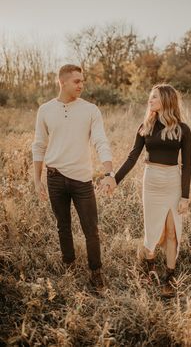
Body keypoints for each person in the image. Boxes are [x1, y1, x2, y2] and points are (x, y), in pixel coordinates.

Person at [32, 64, 116, 290]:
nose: (81, 85)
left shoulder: (90, 110)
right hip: (55, 177)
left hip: (82, 179)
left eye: (83, 81)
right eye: (77, 81)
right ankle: (69, 265)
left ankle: (95, 271)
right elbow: (39, 145)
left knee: (91, 228)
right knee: (63, 226)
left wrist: (109, 173)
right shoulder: (45, 110)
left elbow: (101, 141)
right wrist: (37, 178)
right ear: (62, 82)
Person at [114, 84, 191, 297]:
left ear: (166, 100)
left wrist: (185, 196)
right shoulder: (146, 126)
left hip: (173, 183)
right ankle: (151, 269)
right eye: (150, 97)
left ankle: (169, 277)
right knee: (152, 228)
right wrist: (115, 180)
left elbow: (187, 165)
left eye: (154, 97)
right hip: (152, 182)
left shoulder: (182, 129)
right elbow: (132, 157)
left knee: (171, 231)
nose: (150, 100)